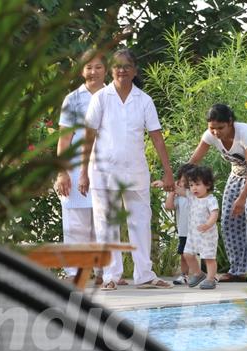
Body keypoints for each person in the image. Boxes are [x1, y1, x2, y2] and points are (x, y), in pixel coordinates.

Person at [79, 48, 175, 291]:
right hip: (103, 172)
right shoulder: (100, 98)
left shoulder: (144, 100)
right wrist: (82, 173)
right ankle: (111, 276)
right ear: (111, 70)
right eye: (117, 66)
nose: (122, 70)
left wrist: (168, 172)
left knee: (140, 222)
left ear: (135, 71)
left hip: (136, 172)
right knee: (106, 224)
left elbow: (157, 138)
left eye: (126, 66)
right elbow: (88, 137)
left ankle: (145, 274)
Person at [188, 104, 247, 282]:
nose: (216, 133)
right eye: (212, 128)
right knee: (228, 217)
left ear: (230, 123)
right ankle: (238, 270)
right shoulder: (210, 136)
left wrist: (242, 198)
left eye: (220, 128)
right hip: (237, 173)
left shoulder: (246, 134)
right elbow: (194, 161)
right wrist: (180, 181)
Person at [55, 51, 106, 284]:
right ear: (81, 70)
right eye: (88, 67)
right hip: (76, 168)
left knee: (103, 222)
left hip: (106, 169)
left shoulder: (112, 96)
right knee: (77, 223)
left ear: (106, 70)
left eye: (98, 67)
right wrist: (62, 172)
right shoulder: (72, 99)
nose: (93, 72)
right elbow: (64, 140)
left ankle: (103, 273)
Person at [157, 163, 196, 285]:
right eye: (181, 180)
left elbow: (188, 194)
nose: (182, 183)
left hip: (197, 231)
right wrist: (172, 193)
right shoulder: (179, 197)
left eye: (186, 181)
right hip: (184, 231)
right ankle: (184, 275)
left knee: (203, 254)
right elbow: (169, 207)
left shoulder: (195, 195)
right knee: (184, 254)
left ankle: (205, 274)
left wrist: (170, 186)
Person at [182, 165, 219, 290]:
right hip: (193, 234)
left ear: (207, 185)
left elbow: (215, 213)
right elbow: (178, 190)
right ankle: (198, 273)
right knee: (187, 254)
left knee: (208, 257)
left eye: (197, 184)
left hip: (207, 234)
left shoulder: (210, 199)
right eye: (191, 185)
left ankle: (210, 278)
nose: (194, 188)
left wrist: (208, 224)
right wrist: (164, 183)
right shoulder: (192, 198)